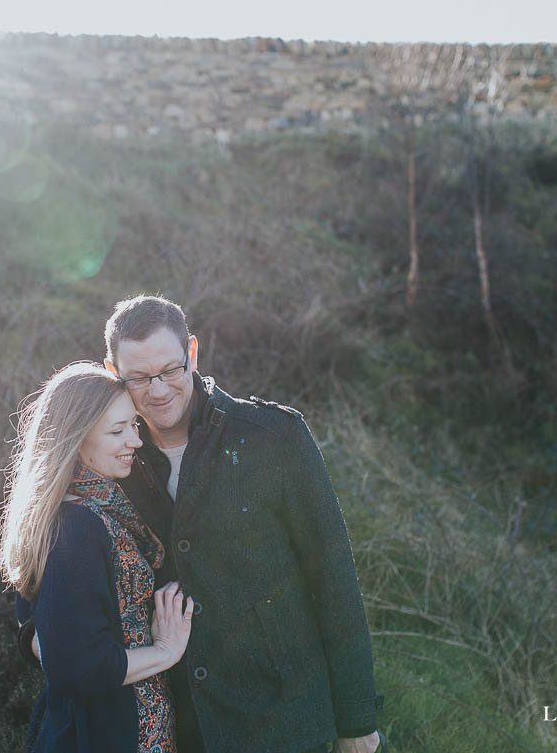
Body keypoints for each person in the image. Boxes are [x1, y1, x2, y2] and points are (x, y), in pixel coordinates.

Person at [20, 295, 382, 753]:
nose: (158, 390)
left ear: (192, 353)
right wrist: (49, 642)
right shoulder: (111, 457)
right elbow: (42, 565)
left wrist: (356, 719)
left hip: (281, 720)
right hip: (177, 723)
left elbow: (335, 583)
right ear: (112, 371)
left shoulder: (274, 438)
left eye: (171, 370)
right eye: (139, 377)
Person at [0, 361, 195, 753]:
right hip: (105, 733)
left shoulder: (91, 505)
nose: (134, 441)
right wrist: (165, 651)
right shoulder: (77, 526)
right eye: (117, 431)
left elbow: (36, 624)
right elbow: (78, 668)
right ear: (76, 438)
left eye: (133, 425)